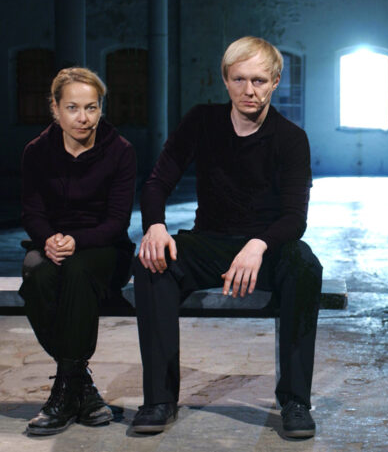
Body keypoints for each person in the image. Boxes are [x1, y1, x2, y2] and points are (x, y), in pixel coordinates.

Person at [131, 36, 322, 438]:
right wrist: (155, 226)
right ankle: (159, 400)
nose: (249, 90)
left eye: (259, 80)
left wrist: (258, 244)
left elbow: (294, 218)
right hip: (210, 242)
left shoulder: (290, 138)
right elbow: (157, 182)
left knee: (305, 265)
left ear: (275, 82)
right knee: (150, 262)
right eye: (239, 79)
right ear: (225, 80)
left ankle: (295, 401)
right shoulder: (202, 121)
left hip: (266, 250)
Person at [19, 67, 137, 435]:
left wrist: (77, 242)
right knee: (37, 272)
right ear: (55, 108)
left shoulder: (120, 151)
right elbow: (32, 212)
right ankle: (80, 386)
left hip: (105, 248)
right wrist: (49, 240)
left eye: (91, 107)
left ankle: (62, 393)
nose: (83, 118)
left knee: (77, 270)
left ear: (101, 108)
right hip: (52, 245)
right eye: (72, 108)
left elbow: (117, 221)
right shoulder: (37, 152)